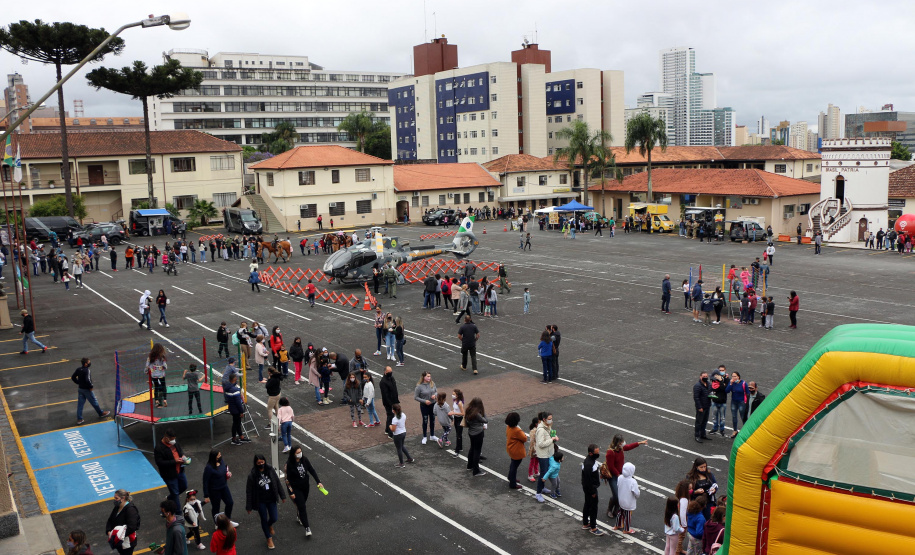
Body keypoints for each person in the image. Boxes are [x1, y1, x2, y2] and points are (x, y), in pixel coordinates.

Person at [245, 454, 285, 549]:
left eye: (262, 462)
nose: (261, 464)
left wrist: (282, 495)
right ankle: (268, 538)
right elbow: (249, 491)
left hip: (271, 499)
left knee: (274, 517)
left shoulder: (270, 470)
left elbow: (277, 482)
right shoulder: (252, 475)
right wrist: (249, 506)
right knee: (263, 518)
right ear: (255, 463)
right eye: (259, 463)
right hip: (260, 501)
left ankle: (269, 525)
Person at [605, 434, 648, 518]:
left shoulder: (620, 448)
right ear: (618, 443)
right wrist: (618, 475)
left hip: (621, 475)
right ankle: (609, 509)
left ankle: (616, 510)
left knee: (621, 494)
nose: (623, 443)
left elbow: (628, 447)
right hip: (614, 476)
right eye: (621, 442)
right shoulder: (610, 452)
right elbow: (611, 467)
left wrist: (640, 443)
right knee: (616, 495)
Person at [284, 445, 322, 537]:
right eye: (297, 453)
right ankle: (307, 527)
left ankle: (299, 515)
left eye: (300, 452)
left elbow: (311, 470)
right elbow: (287, 480)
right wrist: (291, 492)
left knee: (302, 503)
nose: (300, 454)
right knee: (302, 506)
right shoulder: (289, 464)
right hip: (296, 488)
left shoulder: (305, 460)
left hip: (305, 486)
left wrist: (318, 481)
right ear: (293, 454)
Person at [154, 429, 190, 509]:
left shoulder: (174, 442)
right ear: (166, 438)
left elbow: (179, 450)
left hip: (180, 471)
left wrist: (183, 456)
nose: (173, 441)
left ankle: (169, 498)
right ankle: (178, 512)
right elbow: (160, 463)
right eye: (172, 439)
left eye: (174, 439)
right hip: (169, 475)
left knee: (184, 486)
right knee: (175, 493)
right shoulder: (159, 448)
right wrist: (175, 461)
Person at [72, 357, 110, 424]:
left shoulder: (78, 369)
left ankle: (79, 419)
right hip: (87, 390)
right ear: (85, 364)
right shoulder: (87, 370)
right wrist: (91, 386)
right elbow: (88, 380)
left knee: (80, 405)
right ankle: (101, 413)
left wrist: (78, 382)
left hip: (80, 389)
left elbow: (73, 377)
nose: (90, 363)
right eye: (89, 362)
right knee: (94, 402)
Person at [202, 450, 234, 521]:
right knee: (216, 507)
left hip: (224, 487)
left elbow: (224, 470)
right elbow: (205, 482)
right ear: (214, 457)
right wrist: (206, 495)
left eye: (220, 455)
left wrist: (228, 473)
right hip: (214, 491)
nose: (220, 456)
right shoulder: (209, 468)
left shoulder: (221, 461)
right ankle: (217, 523)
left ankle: (227, 519)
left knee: (230, 503)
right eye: (218, 455)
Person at [106, 489, 140, 555]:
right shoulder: (117, 507)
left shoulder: (131, 510)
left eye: (116, 498)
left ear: (123, 498)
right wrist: (109, 531)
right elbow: (110, 520)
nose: (115, 500)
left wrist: (118, 535)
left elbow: (132, 527)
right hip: (118, 540)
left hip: (127, 541)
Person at [533, 412, 558, 502]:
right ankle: (538, 493)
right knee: (543, 473)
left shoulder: (548, 426)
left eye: (551, 418)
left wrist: (554, 436)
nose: (551, 420)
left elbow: (550, 434)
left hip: (549, 453)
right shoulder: (541, 430)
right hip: (543, 455)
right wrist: (551, 440)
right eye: (549, 419)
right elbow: (540, 444)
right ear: (544, 419)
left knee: (546, 471)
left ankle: (542, 488)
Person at [581, 444, 605, 536]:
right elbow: (588, 480)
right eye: (596, 452)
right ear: (591, 453)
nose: (598, 454)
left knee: (587, 504)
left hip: (589, 488)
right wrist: (593, 492)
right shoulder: (588, 464)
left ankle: (585, 523)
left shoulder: (590, 461)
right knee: (593, 507)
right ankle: (593, 527)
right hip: (591, 489)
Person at [464, 397, 488, 477]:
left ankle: (469, 465)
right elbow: (485, 420)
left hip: (471, 432)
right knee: (477, 451)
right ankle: (476, 470)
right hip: (478, 433)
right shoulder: (477, 414)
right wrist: (484, 413)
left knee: (472, 449)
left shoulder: (468, 411)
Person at [614, 462, 640, 534]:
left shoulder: (620, 477)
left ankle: (617, 525)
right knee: (628, 515)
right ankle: (626, 529)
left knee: (620, 512)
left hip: (621, 499)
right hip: (629, 501)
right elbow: (636, 493)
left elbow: (618, 485)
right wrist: (637, 496)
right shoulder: (633, 481)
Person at [504, 411, 527, 490]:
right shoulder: (517, 430)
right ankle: (512, 483)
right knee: (514, 466)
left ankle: (511, 477)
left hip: (511, 449)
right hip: (517, 450)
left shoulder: (508, 427)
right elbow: (524, 438)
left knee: (513, 464)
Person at [414, 371, 438, 444]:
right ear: (423, 377)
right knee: (425, 421)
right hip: (424, 406)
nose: (429, 378)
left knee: (432, 420)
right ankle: (424, 436)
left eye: (430, 376)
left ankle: (432, 435)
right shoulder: (419, 386)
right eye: (427, 376)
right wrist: (424, 401)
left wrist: (435, 395)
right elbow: (416, 397)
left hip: (433, 404)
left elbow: (436, 391)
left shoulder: (432, 383)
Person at [224, 374, 249, 445]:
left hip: (232, 408)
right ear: (235, 379)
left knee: (237, 423)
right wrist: (241, 411)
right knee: (236, 424)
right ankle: (234, 439)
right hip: (236, 410)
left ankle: (241, 437)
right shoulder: (235, 390)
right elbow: (238, 403)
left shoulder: (227, 388)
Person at [726, 371, 748, 438]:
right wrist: (730, 384)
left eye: (735, 376)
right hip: (734, 402)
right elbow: (727, 391)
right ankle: (735, 430)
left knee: (743, 417)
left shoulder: (744, 383)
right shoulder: (732, 383)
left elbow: (748, 393)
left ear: (738, 376)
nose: (733, 378)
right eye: (732, 376)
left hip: (741, 402)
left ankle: (746, 431)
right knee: (734, 417)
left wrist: (746, 402)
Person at [146, 343, 169, 408]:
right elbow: (165, 365)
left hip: (154, 375)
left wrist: (147, 371)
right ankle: (165, 399)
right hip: (161, 374)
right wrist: (163, 367)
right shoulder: (162, 357)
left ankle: (156, 400)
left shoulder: (150, 357)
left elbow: (147, 365)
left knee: (156, 387)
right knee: (163, 386)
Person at [380, 365, 399, 439]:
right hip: (389, 403)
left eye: (391, 371)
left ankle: (387, 430)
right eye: (389, 372)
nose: (390, 373)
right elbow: (385, 395)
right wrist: (391, 405)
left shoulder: (391, 378)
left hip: (393, 401)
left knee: (389, 416)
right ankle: (390, 433)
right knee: (391, 417)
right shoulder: (383, 382)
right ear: (385, 372)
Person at [709, 367, 728, 437]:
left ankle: (722, 430)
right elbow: (712, 389)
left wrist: (721, 380)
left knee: (722, 418)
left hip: (722, 402)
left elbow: (724, 389)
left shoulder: (726, 380)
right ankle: (715, 428)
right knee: (714, 417)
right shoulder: (714, 381)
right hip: (715, 402)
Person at [693, 371, 712, 443]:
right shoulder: (697, 386)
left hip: (707, 406)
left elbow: (710, 392)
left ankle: (703, 434)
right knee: (699, 422)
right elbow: (696, 397)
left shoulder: (708, 384)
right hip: (701, 407)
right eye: (704, 376)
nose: (705, 378)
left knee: (705, 421)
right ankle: (697, 435)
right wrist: (699, 407)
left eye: (706, 376)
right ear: (700, 377)